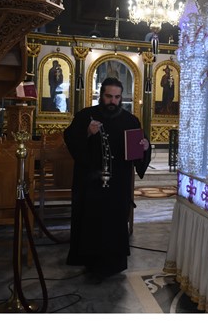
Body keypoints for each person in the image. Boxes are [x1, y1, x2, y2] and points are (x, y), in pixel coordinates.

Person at [64, 77, 151, 279]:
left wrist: (145, 147)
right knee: (91, 223)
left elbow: (139, 149)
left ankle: (114, 264)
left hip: (118, 185)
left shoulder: (130, 120)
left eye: (117, 97)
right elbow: (70, 138)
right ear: (101, 95)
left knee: (115, 224)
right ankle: (91, 264)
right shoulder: (86, 116)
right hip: (90, 184)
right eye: (109, 96)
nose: (113, 101)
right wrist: (87, 132)